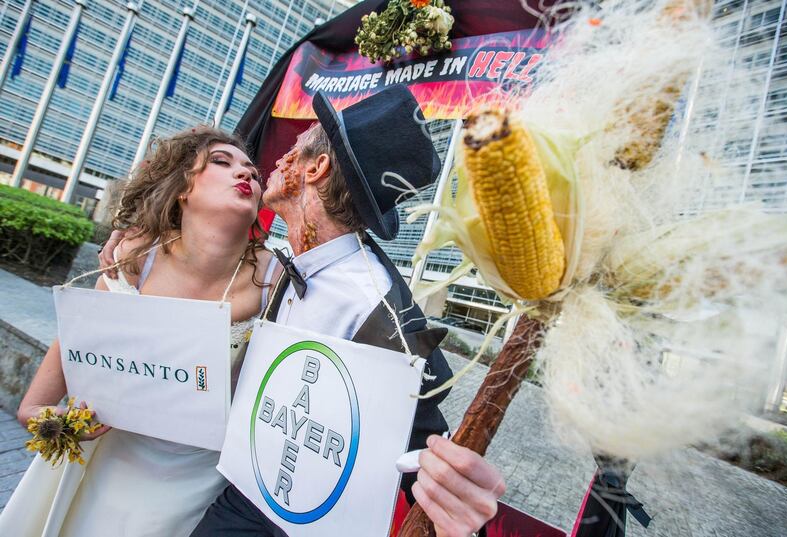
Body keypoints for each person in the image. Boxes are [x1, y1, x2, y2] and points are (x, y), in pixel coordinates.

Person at [188, 85, 507, 536]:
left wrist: (457, 506)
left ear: (316, 168)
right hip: (244, 489)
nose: (278, 162)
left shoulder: (376, 305)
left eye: (295, 152)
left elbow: (419, 439)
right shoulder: (290, 262)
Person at [0, 126, 276, 537]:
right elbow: (37, 401)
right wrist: (53, 420)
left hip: (199, 479)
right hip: (105, 459)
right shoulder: (134, 255)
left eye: (253, 172)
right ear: (183, 186)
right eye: (221, 162)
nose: (246, 175)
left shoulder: (276, 277)